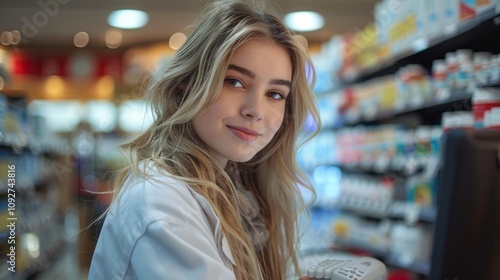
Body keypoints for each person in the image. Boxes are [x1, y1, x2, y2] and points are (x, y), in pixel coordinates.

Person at [88, 0, 320, 279]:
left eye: (275, 94)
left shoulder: (238, 189)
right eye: (234, 81)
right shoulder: (163, 203)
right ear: (187, 83)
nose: (256, 111)